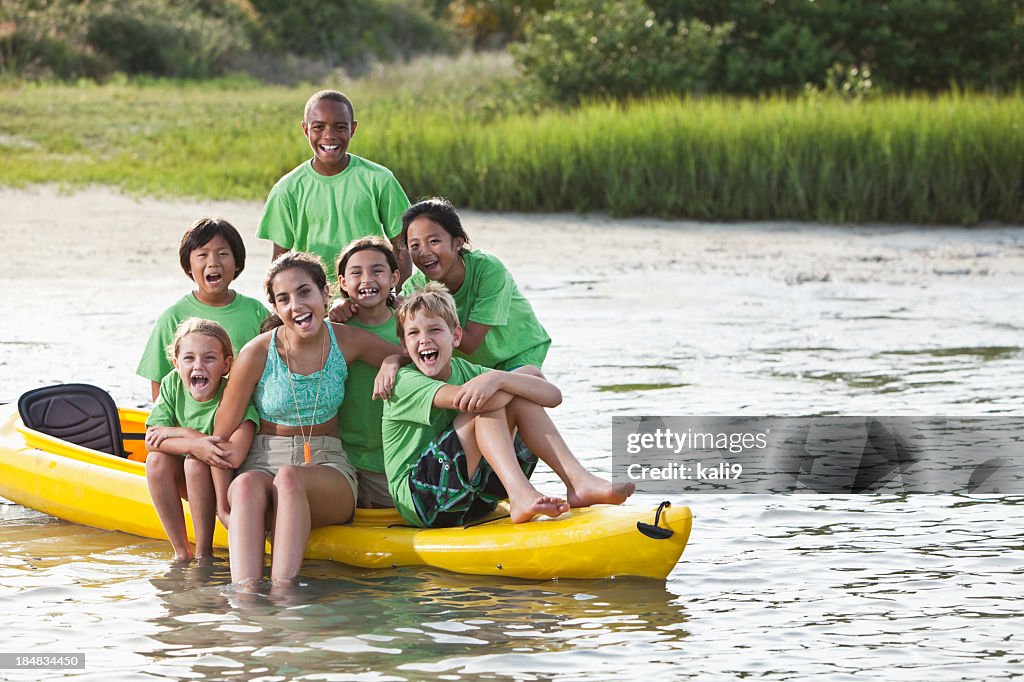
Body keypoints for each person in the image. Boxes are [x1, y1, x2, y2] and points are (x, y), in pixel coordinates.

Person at [213, 252, 404, 588]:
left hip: (327, 465)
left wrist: (389, 362)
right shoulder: (257, 353)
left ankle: (285, 593)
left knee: (289, 478)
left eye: (304, 292)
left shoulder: (344, 340)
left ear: (324, 294)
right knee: (243, 485)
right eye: (283, 299)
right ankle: (244, 598)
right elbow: (221, 435)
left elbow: (405, 355)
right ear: (275, 308)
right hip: (261, 459)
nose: (296, 306)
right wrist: (221, 507)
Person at [382, 283, 634, 527]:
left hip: (476, 498)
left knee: (518, 394)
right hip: (423, 501)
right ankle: (520, 493)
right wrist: (511, 380)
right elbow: (476, 401)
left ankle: (578, 482)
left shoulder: (468, 371)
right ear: (404, 344)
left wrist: (500, 377)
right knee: (491, 402)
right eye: (414, 333)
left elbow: (553, 396)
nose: (424, 339)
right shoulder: (404, 380)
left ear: (455, 336)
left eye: (435, 330)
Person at [256, 89, 412, 290]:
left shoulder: (380, 180)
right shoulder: (287, 189)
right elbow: (280, 261)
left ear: (352, 129)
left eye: (340, 127)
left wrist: (393, 296)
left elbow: (402, 247)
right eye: (319, 127)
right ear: (306, 130)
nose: (329, 135)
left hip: (369, 294)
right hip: (315, 299)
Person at [145, 318, 259, 562]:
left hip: (226, 486)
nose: (198, 366)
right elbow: (152, 439)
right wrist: (192, 445)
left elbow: (235, 454)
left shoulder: (233, 394)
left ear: (226, 364)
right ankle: (181, 552)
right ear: (176, 364)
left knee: (194, 463)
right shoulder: (172, 384)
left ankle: (203, 554)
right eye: (188, 358)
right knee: (155, 461)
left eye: (209, 358)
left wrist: (189, 436)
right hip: (187, 483)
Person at [400, 197, 550, 371]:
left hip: (516, 354)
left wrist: (402, 305)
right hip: (470, 365)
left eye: (434, 241)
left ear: (458, 242)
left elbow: (470, 343)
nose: (424, 252)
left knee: (500, 394)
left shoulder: (488, 270)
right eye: (415, 245)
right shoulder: (413, 288)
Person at [138, 217, 268, 401]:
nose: (213, 262)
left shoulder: (256, 312)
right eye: (202, 255)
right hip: (189, 423)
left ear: (237, 262)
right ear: (188, 266)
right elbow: (159, 382)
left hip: (243, 421)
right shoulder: (173, 317)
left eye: (223, 254)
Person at [335, 236, 403, 508]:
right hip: (341, 459)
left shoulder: (411, 323)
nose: (367, 279)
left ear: (394, 277)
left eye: (377, 271)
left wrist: (393, 360)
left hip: (390, 460)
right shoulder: (331, 327)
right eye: (356, 272)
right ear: (342, 283)